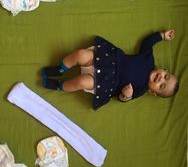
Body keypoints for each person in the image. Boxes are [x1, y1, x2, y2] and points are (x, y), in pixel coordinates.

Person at [41, 30, 179, 110]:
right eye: (165, 76)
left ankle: (60, 86)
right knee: (81, 54)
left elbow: (122, 98)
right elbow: (147, 43)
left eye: (161, 86)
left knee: (82, 82)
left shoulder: (141, 89)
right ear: (164, 69)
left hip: (105, 81)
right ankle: (60, 69)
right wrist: (162, 35)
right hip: (107, 59)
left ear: (153, 92)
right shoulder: (148, 60)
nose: (161, 79)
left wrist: (126, 95)